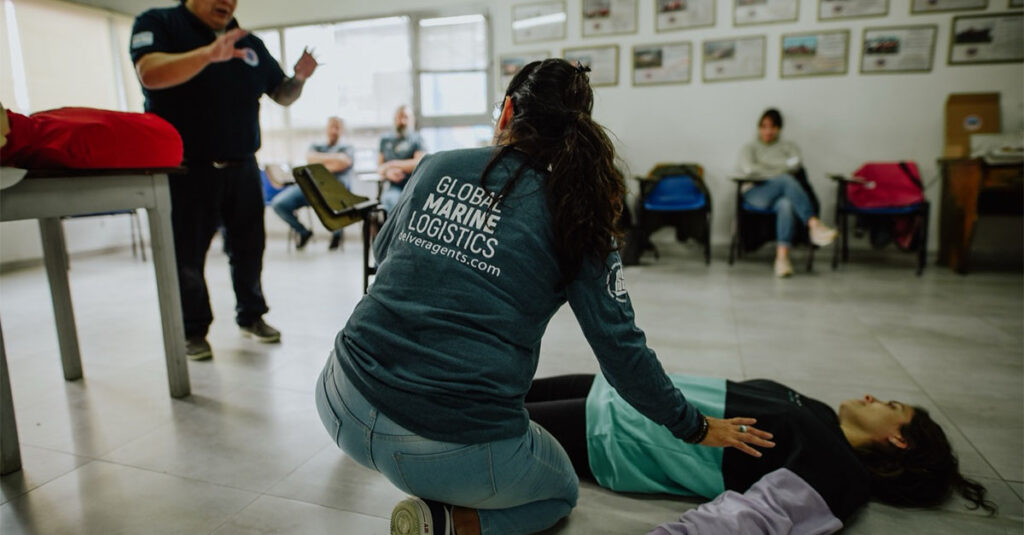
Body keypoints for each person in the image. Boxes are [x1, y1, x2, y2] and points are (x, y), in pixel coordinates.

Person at [314, 59, 774, 535]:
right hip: (443, 449)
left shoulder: (437, 165)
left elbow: (384, 254)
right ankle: (446, 522)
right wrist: (693, 426)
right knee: (559, 492)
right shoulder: (577, 214)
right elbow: (620, 351)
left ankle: (407, 467)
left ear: (507, 111)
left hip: (337, 398)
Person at [523, 373, 995, 534]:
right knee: (486, 390)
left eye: (891, 408)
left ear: (899, 440)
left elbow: (754, 518)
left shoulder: (839, 474)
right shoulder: (820, 412)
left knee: (477, 420)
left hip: (614, 432)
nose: (874, 398)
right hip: (627, 391)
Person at [130, 0, 318, 360]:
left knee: (249, 248)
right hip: (184, 168)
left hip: (243, 164)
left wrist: (300, 78)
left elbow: (281, 94)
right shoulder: (160, 23)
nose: (227, 2)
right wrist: (208, 55)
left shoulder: (249, 43)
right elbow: (149, 74)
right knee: (186, 254)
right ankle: (192, 330)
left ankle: (251, 316)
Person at [737, 108, 837, 278]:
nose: (768, 131)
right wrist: (781, 168)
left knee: (786, 204)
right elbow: (749, 169)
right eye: (764, 126)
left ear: (779, 129)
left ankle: (782, 259)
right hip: (756, 192)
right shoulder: (750, 148)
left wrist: (765, 166)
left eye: (773, 127)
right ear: (759, 128)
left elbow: (796, 165)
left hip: (781, 194)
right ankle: (813, 224)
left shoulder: (788, 146)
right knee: (786, 179)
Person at [271, 116, 354, 250]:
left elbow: (343, 163)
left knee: (335, 204)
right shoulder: (316, 145)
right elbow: (310, 158)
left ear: (342, 130)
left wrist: (320, 163)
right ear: (326, 129)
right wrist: (335, 159)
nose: (334, 131)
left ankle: (336, 234)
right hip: (310, 187)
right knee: (279, 204)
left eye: (337, 127)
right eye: (331, 127)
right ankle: (303, 232)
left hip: (334, 191)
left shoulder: (347, 147)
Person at [377, 104, 425, 213]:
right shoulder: (385, 140)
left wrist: (390, 164)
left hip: (413, 184)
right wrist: (388, 173)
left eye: (406, 117)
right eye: (399, 117)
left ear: (412, 120)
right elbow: (379, 167)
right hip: (393, 186)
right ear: (394, 119)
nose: (402, 121)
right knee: (390, 200)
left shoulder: (417, 139)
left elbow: (418, 163)